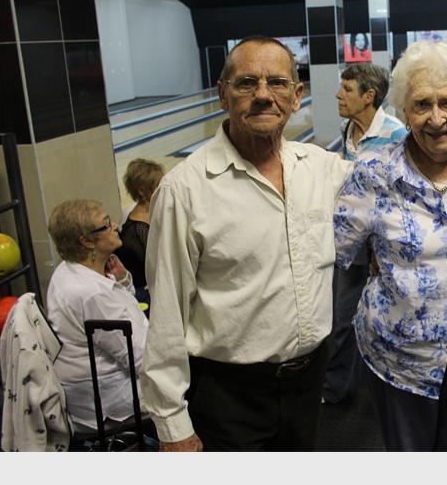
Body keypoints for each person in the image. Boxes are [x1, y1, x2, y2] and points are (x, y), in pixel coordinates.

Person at [140, 36, 352, 452]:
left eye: (277, 83)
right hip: (228, 395)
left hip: (309, 385)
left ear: (297, 96)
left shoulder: (322, 169)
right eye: (247, 83)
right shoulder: (184, 190)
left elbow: (393, 177)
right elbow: (166, 312)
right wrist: (171, 423)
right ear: (223, 94)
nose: (263, 95)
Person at [333, 40, 447, 451]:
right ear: (404, 111)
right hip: (399, 360)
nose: (436, 118)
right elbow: (338, 251)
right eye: (422, 104)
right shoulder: (373, 173)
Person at [323, 63, 407, 404]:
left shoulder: (396, 134)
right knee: (341, 319)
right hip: (351, 247)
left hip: (382, 249)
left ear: (368, 96)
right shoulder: (347, 130)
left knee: (385, 320)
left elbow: (403, 195)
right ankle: (336, 388)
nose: (338, 95)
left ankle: (388, 387)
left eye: (346, 89)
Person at [45, 199, 148, 431]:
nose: (115, 227)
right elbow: (139, 358)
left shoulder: (72, 269)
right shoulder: (91, 293)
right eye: (106, 224)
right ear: (86, 241)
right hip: (115, 393)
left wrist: (122, 279)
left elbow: (124, 304)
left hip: (100, 383)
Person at [115, 158, 165, 308]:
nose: (164, 188)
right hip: (144, 292)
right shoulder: (139, 228)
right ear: (142, 191)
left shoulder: (150, 213)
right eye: (159, 185)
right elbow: (157, 268)